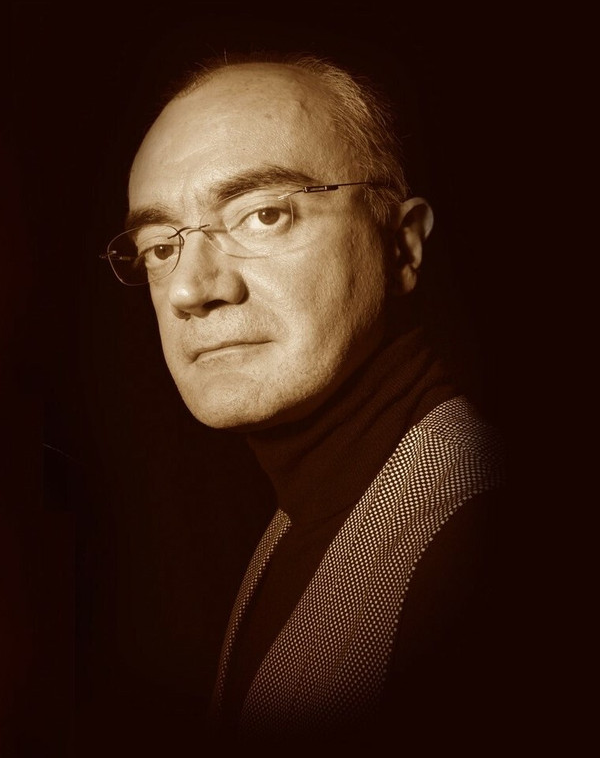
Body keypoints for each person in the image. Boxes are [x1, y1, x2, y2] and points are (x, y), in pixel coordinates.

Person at [102, 52, 508, 751]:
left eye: (264, 215)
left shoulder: (475, 541)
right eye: (159, 247)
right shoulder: (307, 510)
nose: (190, 289)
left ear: (402, 246)